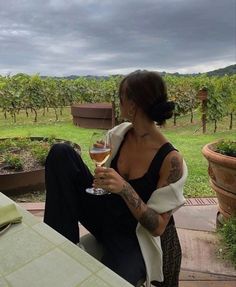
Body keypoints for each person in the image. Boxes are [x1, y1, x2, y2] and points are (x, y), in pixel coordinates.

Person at [44, 70, 187, 287]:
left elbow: (157, 227)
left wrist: (124, 188)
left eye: (121, 98)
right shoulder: (119, 135)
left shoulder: (171, 160)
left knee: (106, 281)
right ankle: (62, 246)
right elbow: (100, 174)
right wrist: (101, 176)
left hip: (132, 237)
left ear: (133, 105)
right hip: (103, 215)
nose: (119, 103)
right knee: (61, 153)